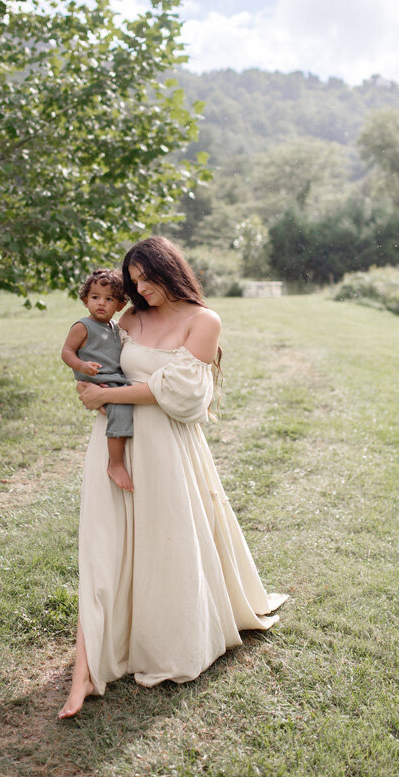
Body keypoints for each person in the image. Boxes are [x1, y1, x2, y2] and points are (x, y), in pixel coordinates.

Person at [58, 237, 287, 719]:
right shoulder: (128, 318)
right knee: (105, 547)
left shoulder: (203, 320)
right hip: (116, 441)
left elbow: (183, 395)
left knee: (167, 541)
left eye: (147, 278)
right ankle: (85, 669)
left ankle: (164, 638)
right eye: (134, 280)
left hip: (169, 451)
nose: (140, 288)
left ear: (170, 271)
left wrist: (109, 397)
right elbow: (107, 370)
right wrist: (89, 386)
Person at [61, 268, 134, 494]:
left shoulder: (115, 328)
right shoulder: (83, 326)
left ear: (120, 305)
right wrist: (81, 365)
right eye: (95, 297)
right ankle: (116, 463)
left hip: (115, 377)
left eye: (109, 299)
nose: (101, 303)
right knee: (121, 408)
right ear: (85, 300)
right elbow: (67, 351)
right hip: (99, 378)